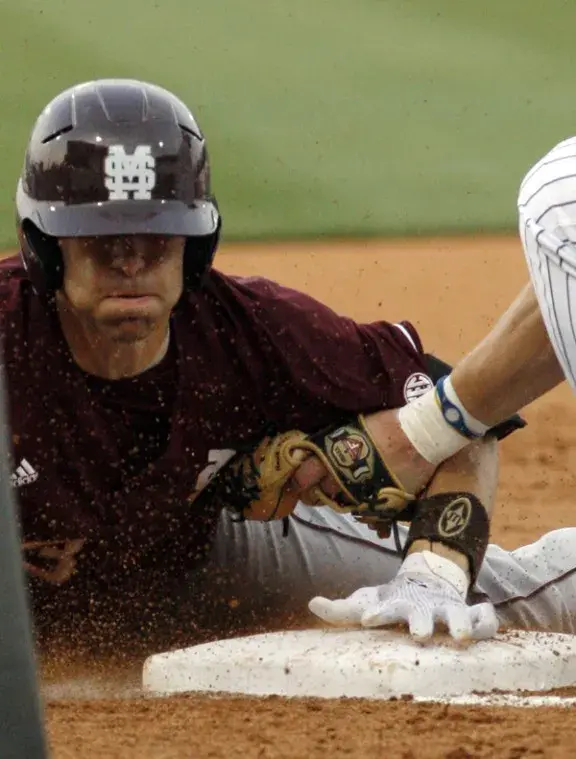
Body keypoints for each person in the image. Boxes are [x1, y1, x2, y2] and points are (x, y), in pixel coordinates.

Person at [5, 78, 573, 659]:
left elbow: (467, 419)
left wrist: (434, 573)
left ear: (194, 246)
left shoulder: (250, 333)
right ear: (45, 248)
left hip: (209, 566)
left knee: (496, 607)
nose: (130, 265)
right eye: (102, 242)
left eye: (155, 240)